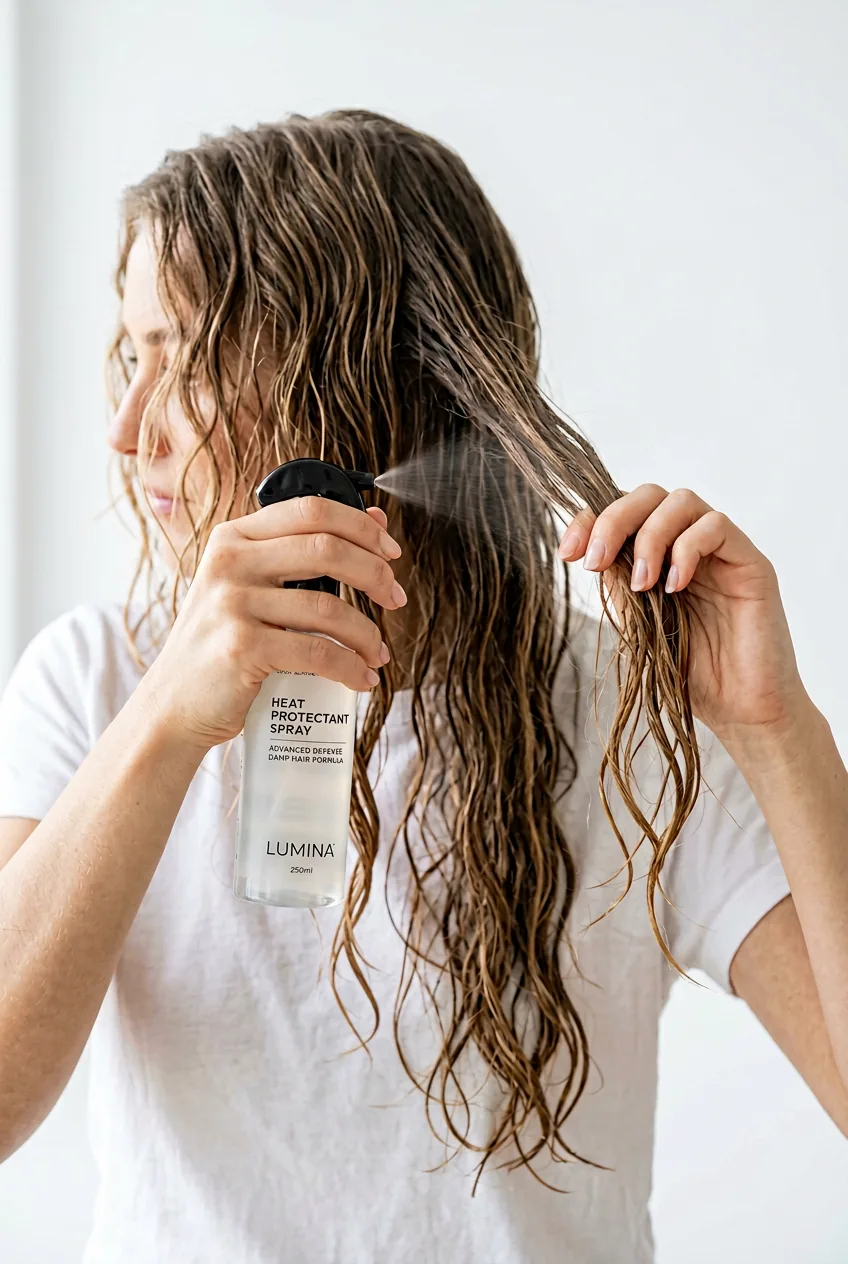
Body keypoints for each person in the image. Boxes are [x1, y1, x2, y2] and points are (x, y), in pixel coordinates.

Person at [0, 109, 845, 1264]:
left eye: (182, 356)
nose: (127, 429)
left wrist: (773, 728)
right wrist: (162, 724)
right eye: (127, 353)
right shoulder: (92, 683)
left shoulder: (622, 714)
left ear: (361, 385)